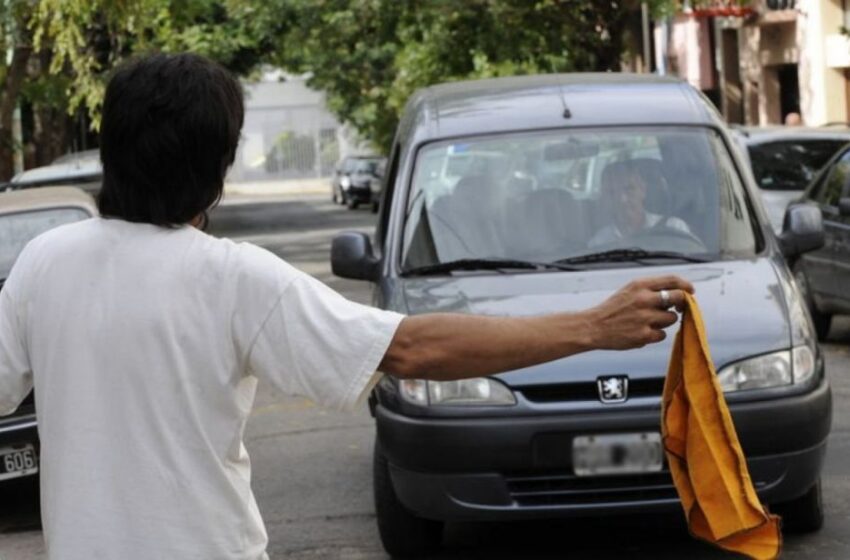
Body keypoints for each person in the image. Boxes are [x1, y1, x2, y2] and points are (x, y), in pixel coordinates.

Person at [0, 53, 693, 560]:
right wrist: (592, 327)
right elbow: (410, 349)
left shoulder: (44, 262)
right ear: (217, 169)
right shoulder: (233, 279)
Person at [589, 160, 692, 248]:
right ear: (605, 199)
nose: (622, 199)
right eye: (612, 192)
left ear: (643, 190)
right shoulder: (599, 244)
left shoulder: (674, 229)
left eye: (629, 189)